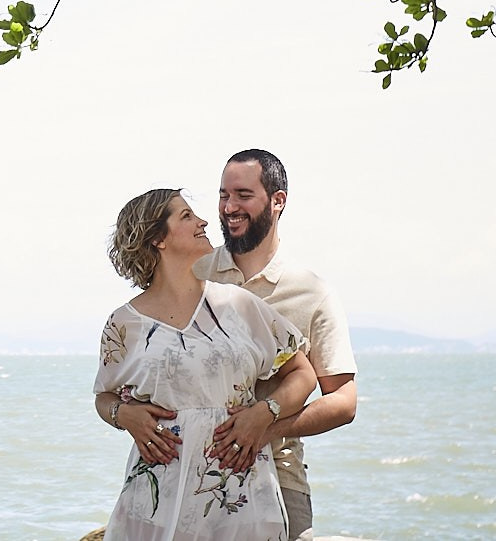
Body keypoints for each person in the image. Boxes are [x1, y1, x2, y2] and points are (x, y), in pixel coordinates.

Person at [92, 188, 318, 541]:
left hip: (238, 493)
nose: (203, 221)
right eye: (185, 217)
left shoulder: (240, 305)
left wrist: (265, 412)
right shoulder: (124, 324)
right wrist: (123, 415)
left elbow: (303, 374)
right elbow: (103, 396)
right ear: (157, 239)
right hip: (155, 499)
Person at [193, 149, 359, 541]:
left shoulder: (312, 292)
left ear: (278, 201)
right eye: (223, 195)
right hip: (191, 477)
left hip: (281, 481)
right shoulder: (194, 274)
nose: (229, 207)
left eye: (243, 195)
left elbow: (345, 399)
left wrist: (267, 428)